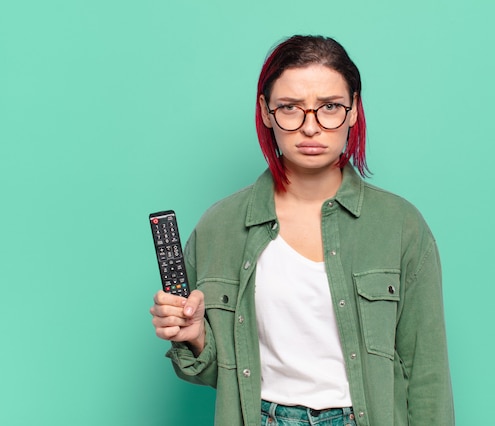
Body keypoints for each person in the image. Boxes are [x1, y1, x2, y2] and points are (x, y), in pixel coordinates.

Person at [150, 35, 454, 425]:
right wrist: (195, 338)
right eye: (290, 108)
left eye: (329, 107)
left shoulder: (400, 226)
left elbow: (427, 375)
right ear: (265, 111)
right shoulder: (219, 227)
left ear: (354, 110)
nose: (311, 128)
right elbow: (221, 376)